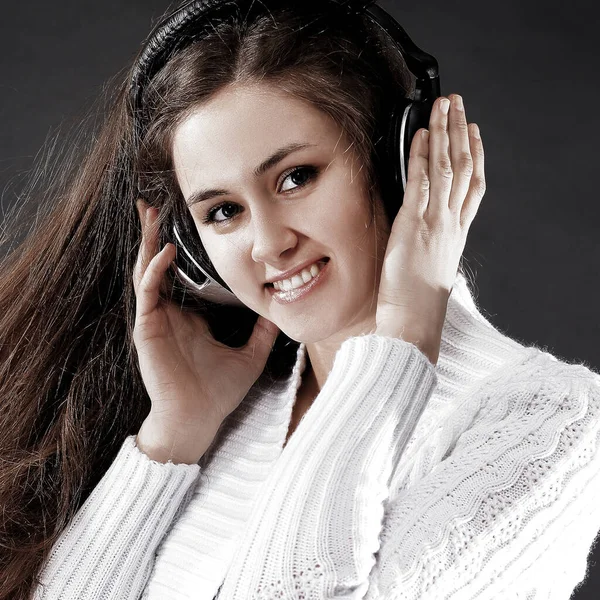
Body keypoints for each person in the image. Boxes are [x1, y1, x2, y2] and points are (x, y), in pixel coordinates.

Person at [0, 0, 599, 598]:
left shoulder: (553, 423)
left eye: (296, 177)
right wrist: (172, 439)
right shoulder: (227, 410)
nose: (269, 244)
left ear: (396, 158)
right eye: (224, 212)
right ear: (193, 245)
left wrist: (406, 330)